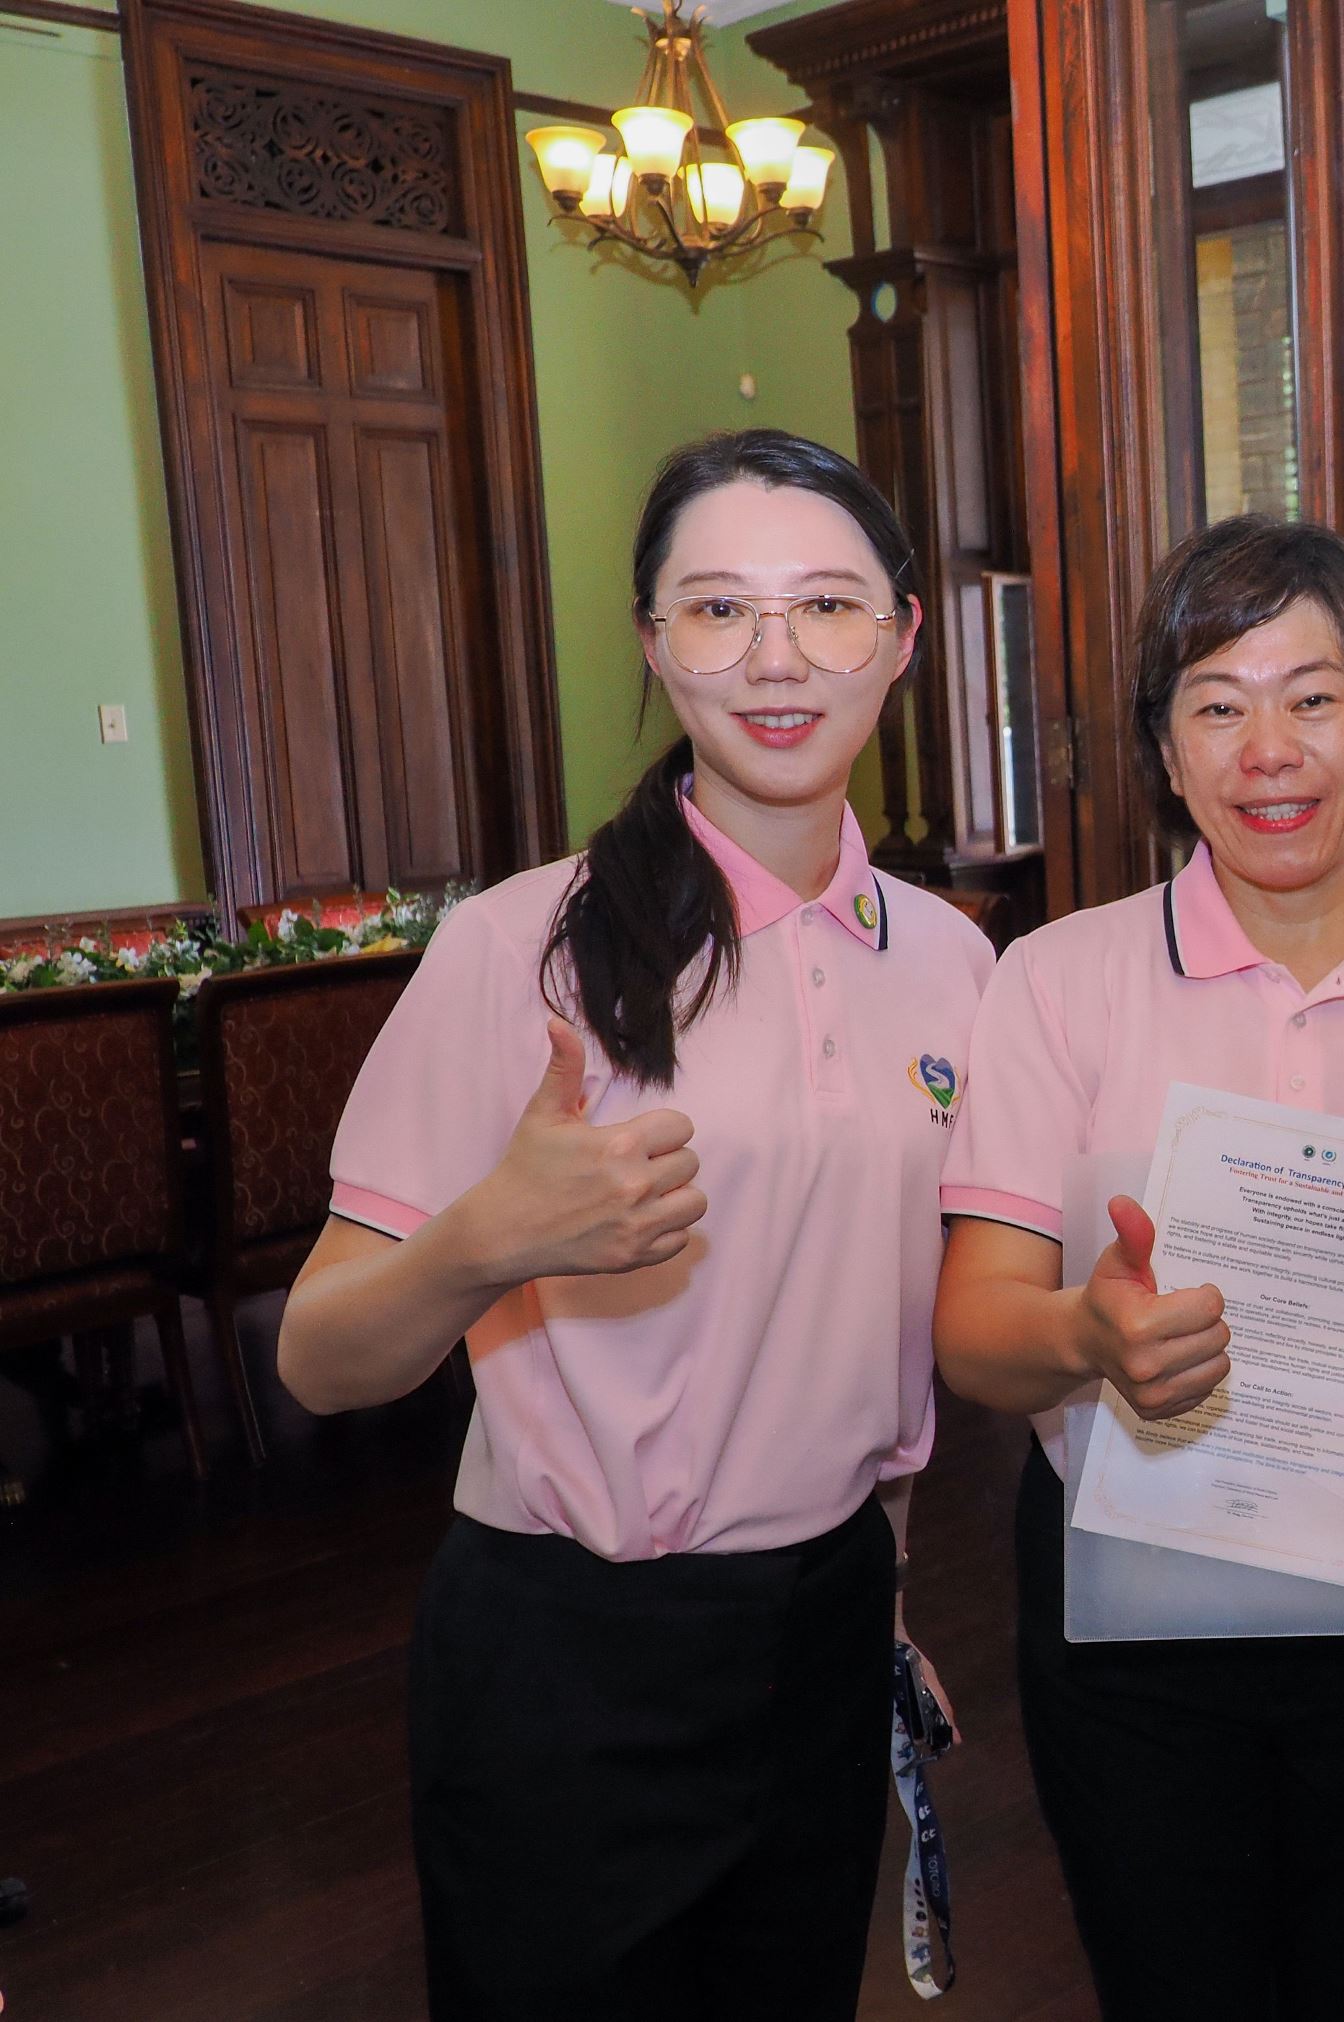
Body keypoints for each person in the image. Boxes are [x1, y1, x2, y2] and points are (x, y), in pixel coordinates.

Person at [276, 431, 993, 2021]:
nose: (777, 657)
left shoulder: (952, 963)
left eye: (827, 604)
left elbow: (875, 1336)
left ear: (901, 637)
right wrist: (483, 1239)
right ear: (654, 644)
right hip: (570, 1652)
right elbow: (319, 1359)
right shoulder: (518, 947)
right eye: (720, 608)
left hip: (823, 1626)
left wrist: (877, 1596)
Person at [930, 515, 1344, 2022]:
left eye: (1312, 697)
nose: (1268, 750)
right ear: (1165, 750)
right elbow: (972, 1331)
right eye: (1217, 705)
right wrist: (1089, 1337)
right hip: (1132, 1603)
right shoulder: (1058, 982)